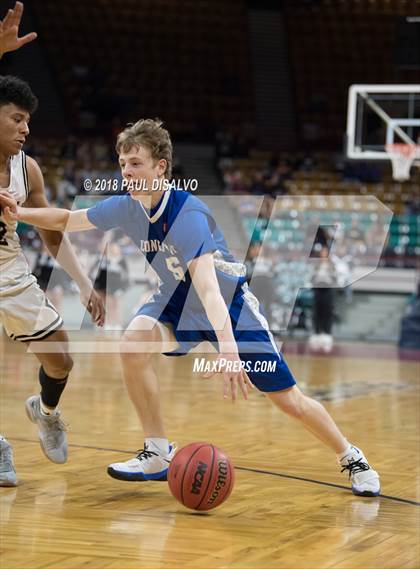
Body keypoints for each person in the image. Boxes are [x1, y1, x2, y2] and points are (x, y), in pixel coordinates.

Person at [0, 118, 381, 497]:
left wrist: (228, 350)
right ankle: (157, 451)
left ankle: (352, 457)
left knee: (289, 401)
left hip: (228, 307)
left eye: (135, 163)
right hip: (174, 299)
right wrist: (19, 214)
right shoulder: (126, 206)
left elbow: (209, 290)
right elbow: (68, 218)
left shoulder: (188, 214)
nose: (127, 172)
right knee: (132, 345)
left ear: (160, 167)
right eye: (122, 164)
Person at [0, 2, 104, 487]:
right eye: (16, 119)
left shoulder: (29, 170)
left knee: (61, 360)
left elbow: (52, 231)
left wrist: (83, 284)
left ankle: (44, 411)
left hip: (9, 270)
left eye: (28, 121)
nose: (26, 128)